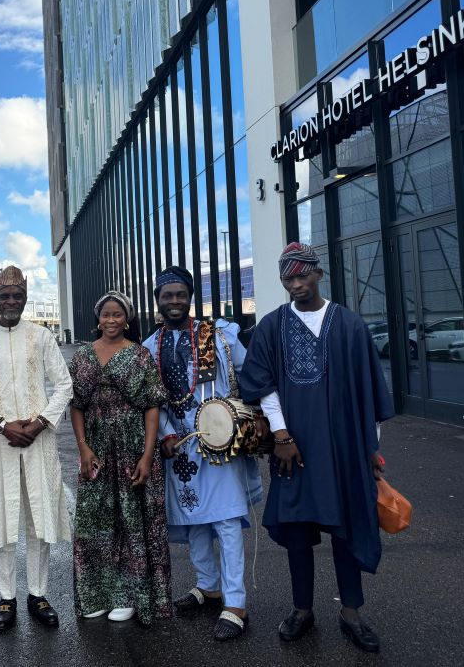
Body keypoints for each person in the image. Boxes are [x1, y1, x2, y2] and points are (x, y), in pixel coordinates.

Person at [239, 243, 394, 653]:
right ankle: (302, 610)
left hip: (345, 451)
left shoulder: (350, 326)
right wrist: (283, 436)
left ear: (318, 274)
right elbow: (263, 385)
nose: (296, 285)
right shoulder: (272, 327)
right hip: (295, 451)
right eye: (288, 279)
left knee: (346, 528)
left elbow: (367, 397)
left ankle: (352, 614)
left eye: (302, 275)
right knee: (296, 531)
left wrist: (372, 452)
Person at [142, 267, 263, 641]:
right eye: (167, 295)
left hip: (219, 443)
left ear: (190, 297)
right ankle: (208, 586)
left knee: (226, 521)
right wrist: (163, 436)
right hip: (177, 446)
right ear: (158, 300)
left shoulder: (219, 335)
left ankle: (236, 603)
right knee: (194, 519)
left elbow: (250, 375)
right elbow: (151, 401)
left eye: (181, 294)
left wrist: (252, 417)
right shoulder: (150, 347)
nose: (174, 301)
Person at [0, 265, 74, 633]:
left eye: (17, 295)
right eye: (4, 296)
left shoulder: (42, 337)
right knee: (3, 517)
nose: (11, 301)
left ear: (25, 298)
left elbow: (64, 385)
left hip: (38, 439)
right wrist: (1, 424)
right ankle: (6, 595)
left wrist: (40, 422)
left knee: (39, 517)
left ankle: (38, 593)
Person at [69, 291, 171, 624]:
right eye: (106, 315)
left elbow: (152, 406)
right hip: (96, 446)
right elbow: (77, 405)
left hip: (132, 446)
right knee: (93, 521)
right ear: (97, 319)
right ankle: (96, 592)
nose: (111, 321)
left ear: (127, 319)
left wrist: (147, 454)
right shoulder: (83, 356)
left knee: (131, 521)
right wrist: (83, 446)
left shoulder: (141, 356)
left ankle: (129, 594)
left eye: (118, 315)